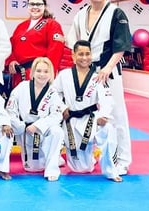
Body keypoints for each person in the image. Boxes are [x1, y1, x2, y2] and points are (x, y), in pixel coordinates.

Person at [66, 0, 132, 176]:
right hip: (86, 71)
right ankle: (92, 155)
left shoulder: (116, 13)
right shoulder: (80, 14)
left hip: (107, 71)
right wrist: (78, 67)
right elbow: (73, 43)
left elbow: (121, 46)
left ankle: (122, 160)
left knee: (116, 115)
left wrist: (107, 68)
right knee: (86, 115)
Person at [52, 40, 122, 182]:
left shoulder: (98, 76)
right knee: (81, 168)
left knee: (108, 130)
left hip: (92, 118)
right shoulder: (64, 75)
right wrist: (62, 107)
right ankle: (88, 159)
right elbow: (53, 94)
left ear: (91, 55)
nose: (84, 57)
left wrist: (104, 115)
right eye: (80, 54)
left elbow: (107, 99)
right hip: (71, 119)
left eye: (87, 54)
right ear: (73, 56)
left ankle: (111, 171)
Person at [6, 57, 65, 181]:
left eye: (45, 71)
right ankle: (52, 157)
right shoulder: (22, 87)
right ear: (32, 72)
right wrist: (20, 126)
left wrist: (38, 125)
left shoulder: (53, 92)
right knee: (32, 168)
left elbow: (57, 115)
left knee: (57, 131)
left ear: (51, 74)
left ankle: (52, 168)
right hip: (26, 130)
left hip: (43, 129)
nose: (42, 75)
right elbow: (10, 110)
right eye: (38, 71)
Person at [6, 0, 65, 88]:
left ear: (45, 6)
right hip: (19, 75)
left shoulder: (52, 24)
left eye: (38, 4)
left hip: (38, 73)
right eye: (32, 4)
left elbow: (56, 51)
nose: (35, 7)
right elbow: (10, 46)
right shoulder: (21, 26)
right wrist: (11, 60)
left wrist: (48, 73)